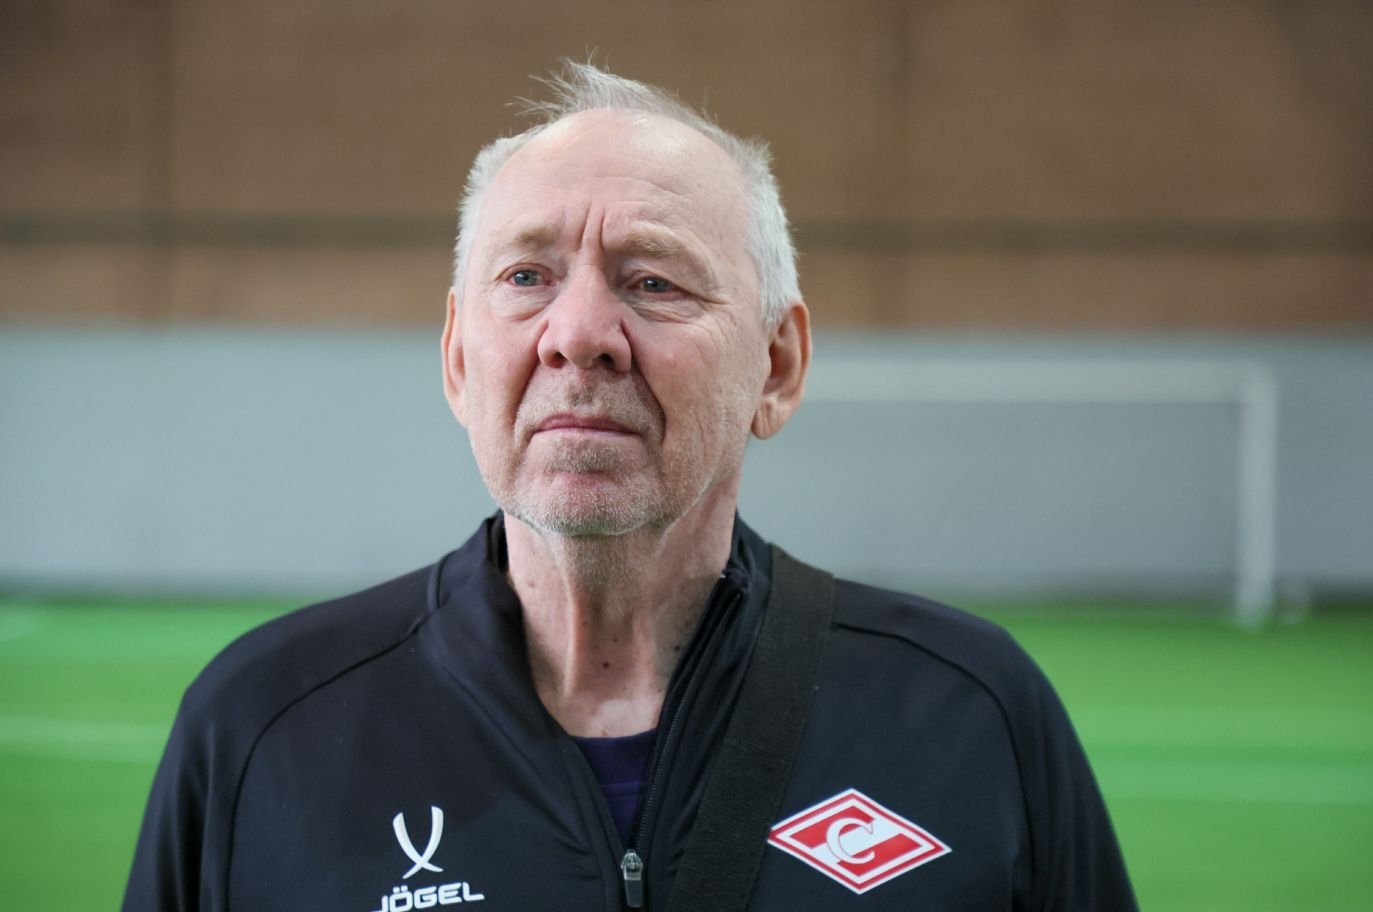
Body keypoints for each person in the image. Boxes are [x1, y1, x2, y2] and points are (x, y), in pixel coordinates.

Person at [123, 62, 1137, 911]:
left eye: (653, 281)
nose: (576, 335)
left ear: (776, 366)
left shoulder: (970, 717)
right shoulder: (261, 729)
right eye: (526, 278)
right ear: (458, 360)